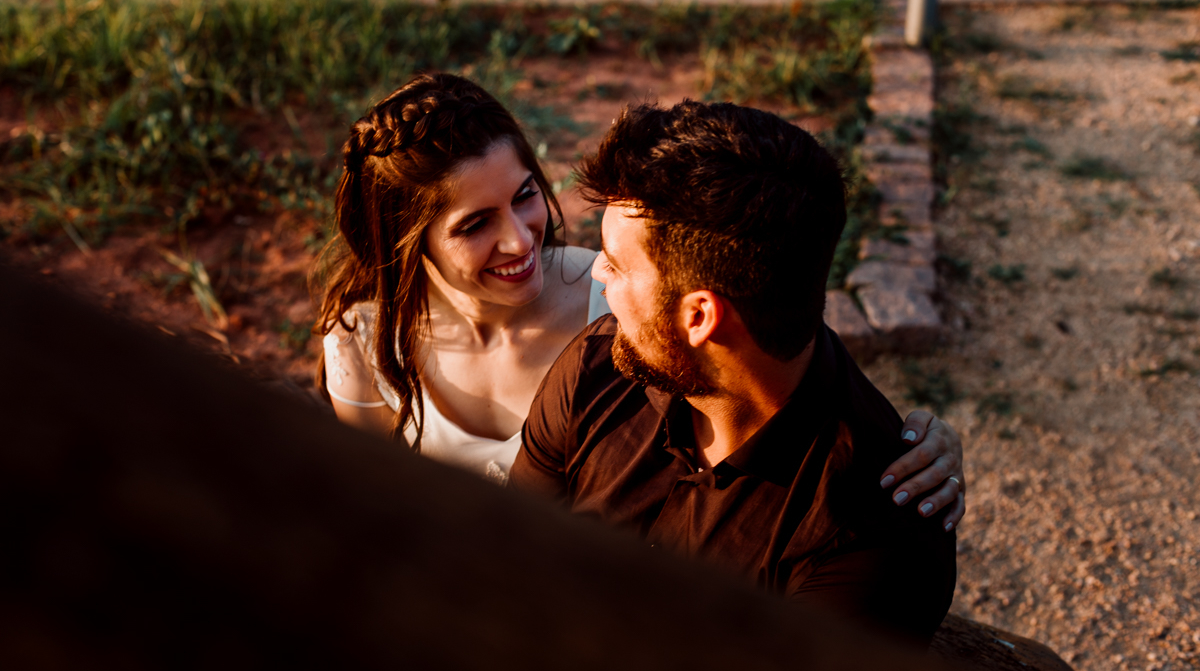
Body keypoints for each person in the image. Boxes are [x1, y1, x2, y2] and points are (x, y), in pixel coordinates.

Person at [312, 72, 965, 529]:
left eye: (524, 196)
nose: (520, 238)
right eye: (473, 224)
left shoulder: (618, 299)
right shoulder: (361, 345)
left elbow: (770, 367)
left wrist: (906, 440)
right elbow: (382, 506)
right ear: (404, 245)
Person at [510, 100, 957, 643]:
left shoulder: (869, 543)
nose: (598, 274)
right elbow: (510, 551)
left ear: (699, 316)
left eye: (618, 264)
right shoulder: (598, 365)